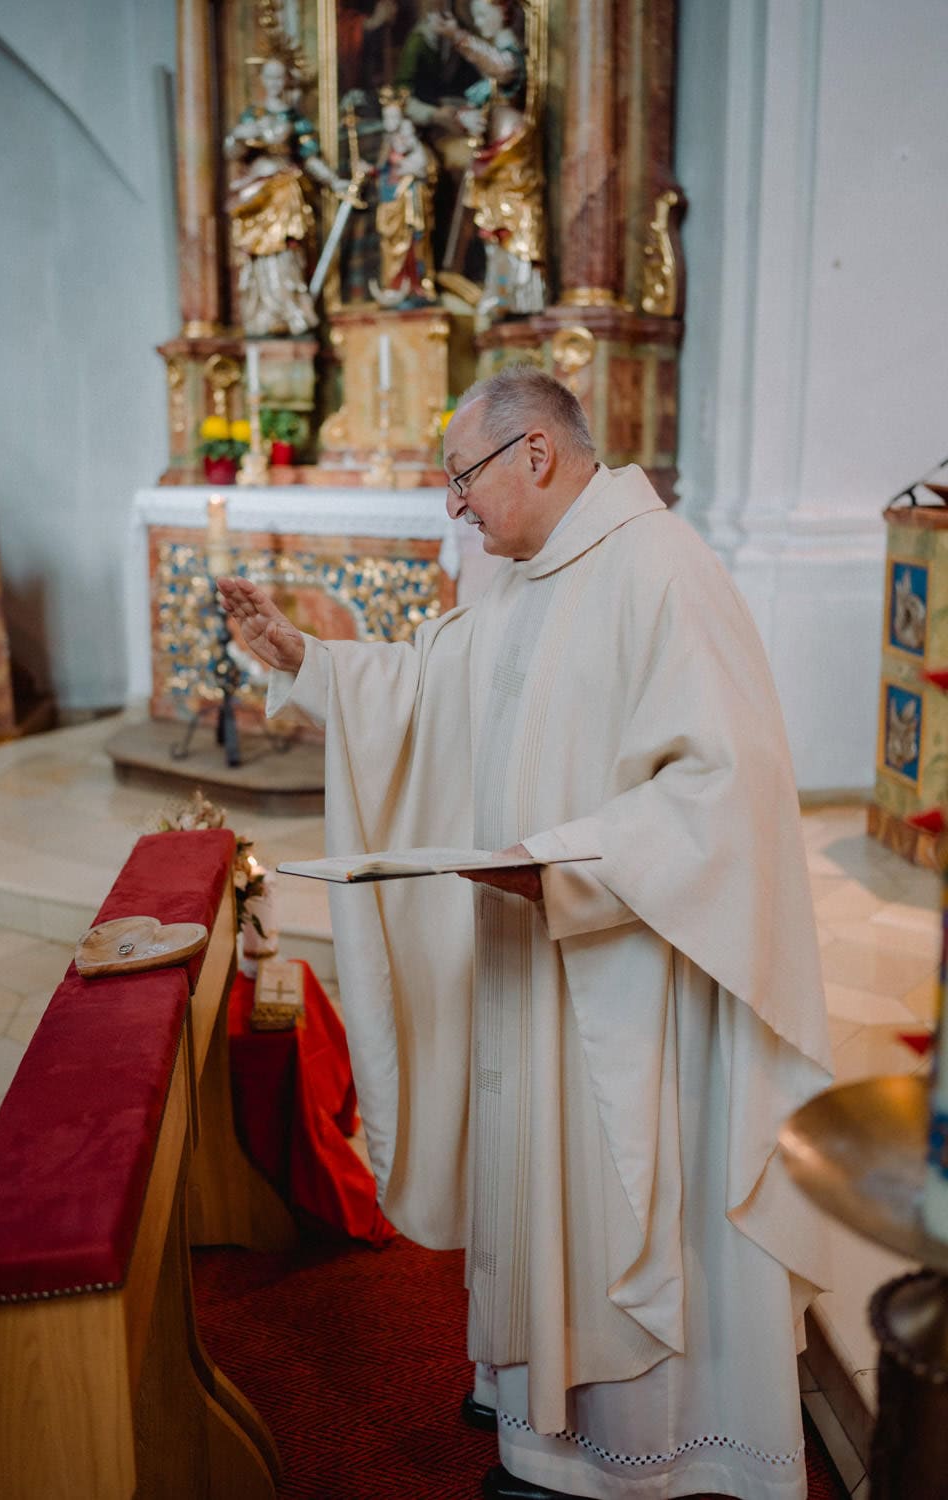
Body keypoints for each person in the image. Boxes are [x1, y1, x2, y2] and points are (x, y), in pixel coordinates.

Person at [217, 366, 832, 1500]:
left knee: (615, 1198)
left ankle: (637, 1454)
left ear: (535, 454)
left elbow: (724, 794)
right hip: (529, 956)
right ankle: (530, 1398)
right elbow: (432, 691)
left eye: (463, 479)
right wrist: (305, 663)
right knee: (541, 1187)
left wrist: (573, 867)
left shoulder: (661, 572)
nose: (455, 507)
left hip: (622, 979)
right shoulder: (519, 577)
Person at [429, 0, 547, 319]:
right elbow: (486, 96)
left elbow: (503, 69)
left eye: (484, 14)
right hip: (494, 154)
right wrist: (468, 118)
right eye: (475, 17)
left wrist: (458, 35)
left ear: (504, 11)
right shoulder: (494, 59)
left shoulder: (510, 52)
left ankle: (522, 294)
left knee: (513, 222)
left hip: (513, 155)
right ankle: (503, 292)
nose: (480, 23)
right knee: (494, 224)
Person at [225, 56, 347, 336]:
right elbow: (233, 152)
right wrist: (240, 136)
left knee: (284, 247)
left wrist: (334, 181)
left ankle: (288, 307)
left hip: (285, 190)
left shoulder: (295, 120)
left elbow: (311, 157)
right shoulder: (252, 115)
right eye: (269, 77)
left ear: (287, 81)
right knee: (257, 249)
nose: (274, 83)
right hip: (256, 190)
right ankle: (263, 312)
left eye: (280, 77)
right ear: (262, 79)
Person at [369, 88, 439, 306]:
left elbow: (424, 167)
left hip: (409, 202)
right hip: (390, 201)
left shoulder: (410, 141)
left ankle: (415, 285)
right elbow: (382, 169)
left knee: (411, 242)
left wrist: (405, 167)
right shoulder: (388, 143)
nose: (389, 121)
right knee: (390, 243)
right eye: (386, 117)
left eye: (393, 116)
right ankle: (393, 284)